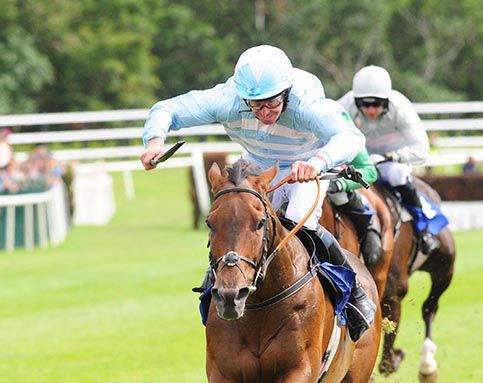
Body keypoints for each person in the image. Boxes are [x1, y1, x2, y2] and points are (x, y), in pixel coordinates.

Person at [141, 45, 376, 341]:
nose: (265, 112)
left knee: (297, 223)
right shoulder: (226, 100)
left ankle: (354, 294)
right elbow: (168, 108)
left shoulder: (305, 105)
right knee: (236, 226)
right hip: (258, 168)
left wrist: (318, 161)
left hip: (306, 165)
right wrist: (154, 140)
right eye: (255, 104)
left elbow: (351, 136)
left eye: (272, 103)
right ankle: (215, 287)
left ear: (287, 93)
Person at [338, 65, 438, 255]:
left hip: (391, 162)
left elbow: (422, 151)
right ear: (355, 99)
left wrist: (389, 157)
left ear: (386, 99)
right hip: (359, 162)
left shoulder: (401, 108)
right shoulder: (344, 105)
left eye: (376, 104)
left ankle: (423, 231)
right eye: (364, 104)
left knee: (398, 175)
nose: (370, 110)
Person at [326, 111, 381, 268]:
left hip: (332, 180)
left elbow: (370, 172)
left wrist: (340, 184)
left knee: (339, 196)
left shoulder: (340, 119)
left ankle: (368, 229)